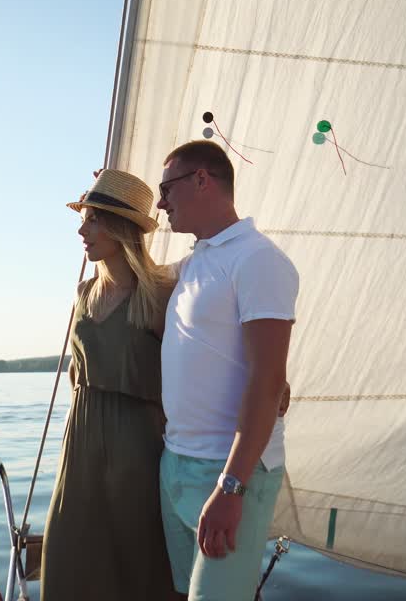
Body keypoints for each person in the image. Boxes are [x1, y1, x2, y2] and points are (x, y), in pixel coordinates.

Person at [154, 140, 299, 599]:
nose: (161, 203)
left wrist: (232, 488)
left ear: (201, 179)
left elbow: (267, 380)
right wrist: (112, 207)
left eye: (166, 188)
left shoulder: (257, 259)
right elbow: (134, 274)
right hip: (175, 463)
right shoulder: (196, 261)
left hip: (229, 472)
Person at [40, 169, 177, 600]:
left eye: (94, 219)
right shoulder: (84, 292)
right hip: (79, 446)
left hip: (137, 448)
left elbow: (199, 365)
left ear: (122, 227)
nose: (83, 230)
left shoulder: (160, 294)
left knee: (138, 562)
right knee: (68, 555)